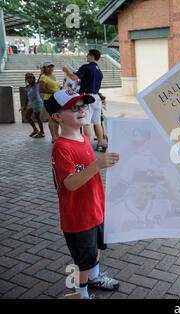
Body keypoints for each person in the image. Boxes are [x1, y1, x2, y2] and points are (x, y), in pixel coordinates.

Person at [45, 89, 121, 299]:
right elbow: (69, 183)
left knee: (96, 248)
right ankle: (82, 294)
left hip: (95, 207)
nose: (82, 110)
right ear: (57, 116)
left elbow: (89, 169)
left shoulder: (84, 138)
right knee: (83, 260)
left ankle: (94, 278)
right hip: (78, 216)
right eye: (73, 107)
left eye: (83, 105)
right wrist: (97, 165)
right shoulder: (61, 147)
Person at [63, 49, 106, 152]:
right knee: (97, 122)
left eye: (87, 54)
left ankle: (87, 146)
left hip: (87, 97)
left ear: (91, 56)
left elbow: (74, 77)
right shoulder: (99, 71)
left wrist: (66, 71)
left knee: (86, 123)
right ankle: (100, 144)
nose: (86, 56)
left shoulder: (86, 67)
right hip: (96, 97)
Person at [39, 62, 61, 144]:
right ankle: (53, 137)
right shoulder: (43, 77)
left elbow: (56, 86)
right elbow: (41, 89)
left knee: (57, 118)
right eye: (48, 67)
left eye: (52, 67)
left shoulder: (53, 76)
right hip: (49, 100)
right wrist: (53, 92)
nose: (50, 68)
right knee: (52, 118)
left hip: (57, 99)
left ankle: (57, 135)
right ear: (44, 68)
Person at [24, 72, 45, 138]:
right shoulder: (27, 87)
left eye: (31, 78)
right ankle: (35, 130)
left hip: (37, 103)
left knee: (37, 117)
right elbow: (27, 97)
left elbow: (40, 77)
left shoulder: (36, 85)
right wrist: (24, 106)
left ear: (33, 78)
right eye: (28, 78)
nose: (29, 79)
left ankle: (42, 132)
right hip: (31, 103)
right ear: (26, 79)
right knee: (27, 116)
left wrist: (42, 71)